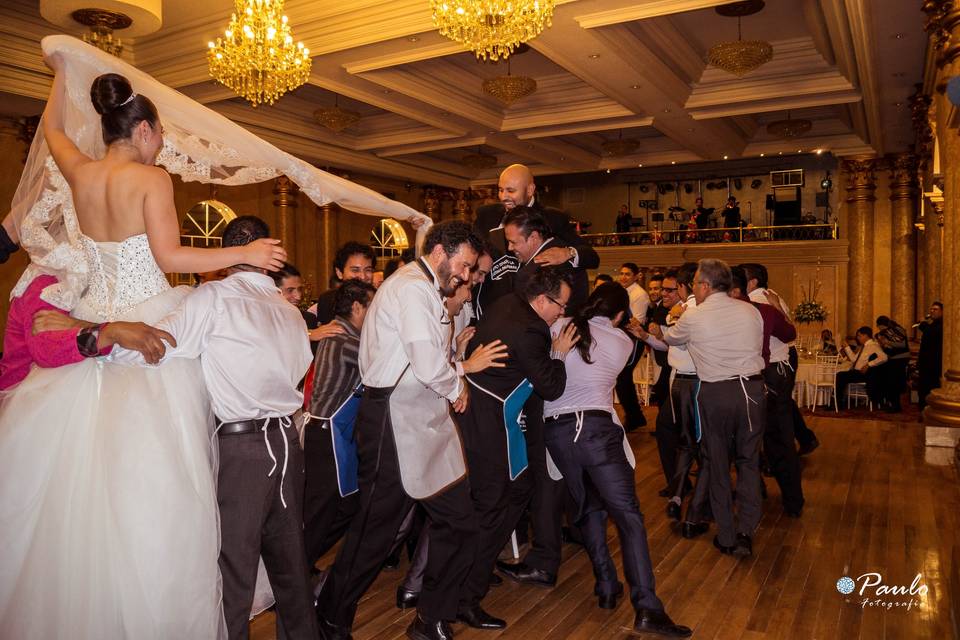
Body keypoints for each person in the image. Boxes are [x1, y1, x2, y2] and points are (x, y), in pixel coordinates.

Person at [0, 68, 284, 639]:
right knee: (160, 488)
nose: (163, 145)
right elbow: (173, 258)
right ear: (146, 130)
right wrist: (246, 252)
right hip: (146, 321)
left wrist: (62, 68)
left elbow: (53, 126)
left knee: (72, 492)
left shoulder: (79, 170)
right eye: (161, 135)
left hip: (94, 324)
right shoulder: (151, 180)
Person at [112, 216, 318, 639]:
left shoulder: (217, 297)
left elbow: (156, 347)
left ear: (228, 255)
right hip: (288, 442)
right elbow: (300, 368)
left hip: (243, 450)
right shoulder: (289, 310)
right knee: (291, 566)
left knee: (234, 570)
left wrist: (100, 345)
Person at [315, 221, 502, 640]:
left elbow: (429, 359)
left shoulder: (424, 287)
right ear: (440, 252)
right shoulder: (411, 289)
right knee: (375, 532)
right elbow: (426, 361)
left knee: (460, 524)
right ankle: (330, 614)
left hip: (423, 418)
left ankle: (431, 618)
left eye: (472, 269)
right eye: (466, 265)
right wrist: (457, 387)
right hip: (391, 421)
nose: (468, 276)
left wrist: (451, 378)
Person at [543, 282, 691, 638]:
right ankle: (647, 607)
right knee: (628, 517)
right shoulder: (625, 343)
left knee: (588, 509)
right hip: (595, 429)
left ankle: (607, 585)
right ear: (621, 314)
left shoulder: (558, 326)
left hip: (557, 434)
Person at [660, 259, 766, 557]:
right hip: (752, 390)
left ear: (705, 286)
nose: (692, 288)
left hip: (716, 392)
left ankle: (728, 536)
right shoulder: (750, 311)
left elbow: (670, 339)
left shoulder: (693, 316)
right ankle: (746, 532)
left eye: (694, 283)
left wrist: (671, 319)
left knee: (717, 463)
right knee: (748, 463)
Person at [302, 279, 378, 574]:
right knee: (322, 511)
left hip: (336, 435)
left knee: (346, 505)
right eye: (372, 307)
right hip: (325, 435)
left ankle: (302, 563)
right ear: (358, 307)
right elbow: (379, 369)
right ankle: (295, 573)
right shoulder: (342, 339)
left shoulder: (344, 334)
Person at [473, 164, 599, 316]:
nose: (503, 196)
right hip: (494, 306)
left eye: (511, 191)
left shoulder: (553, 218)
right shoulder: (487, 215)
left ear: (530, 190)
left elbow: (592, 257)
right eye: (500, 190)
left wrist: (568, 252)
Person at [615, 262, 651, 431]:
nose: (623, 277)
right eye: (621, 273)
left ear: (636, 276)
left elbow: (636, 321)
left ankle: (634, 416)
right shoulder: (623, 291)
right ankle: (635, 416)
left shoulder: (639, 294)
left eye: (628, 274)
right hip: (622, 339)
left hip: (633, 340)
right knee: (622, 379)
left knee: (623, 378)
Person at [836, 326, 888, 407]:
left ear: (866, 336)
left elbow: (884, 357)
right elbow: (854, 359)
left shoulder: (873, 345)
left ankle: (838, 402)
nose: (858, 338)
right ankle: (840, 400)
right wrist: (846, 347)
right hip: (857, 372)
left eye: (859, 336)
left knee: (840, 375)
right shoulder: (864, 346)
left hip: (863, 373)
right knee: (841, 375)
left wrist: (869, 364)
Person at [875, 315, 910, 412]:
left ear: (881, 325)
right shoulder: (887, 331)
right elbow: (890, 347)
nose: (879, 328)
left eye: (878, 326)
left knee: (894, 383)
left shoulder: (896, 329)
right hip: (893, 358)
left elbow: (902, 344)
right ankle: (893, 404)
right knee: (891, 382)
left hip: (900, 358)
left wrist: (887, 342)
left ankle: (896, 406)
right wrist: (882, 343)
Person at [917, 302, 944, 412]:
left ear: (942, 312)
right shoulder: (933, 324)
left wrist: (923, 324)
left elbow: (931, 334)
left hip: (934, 363)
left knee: (930, 388)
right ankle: (923, 410)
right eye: (931, 309)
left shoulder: (941, 325)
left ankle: (929, 411)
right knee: (923, 389)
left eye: (935, 309)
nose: (932, 311)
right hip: (926, 363)